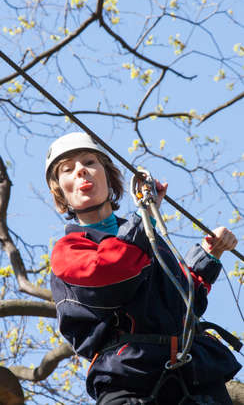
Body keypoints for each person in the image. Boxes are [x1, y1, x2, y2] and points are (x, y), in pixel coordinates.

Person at [45, 132, 241, 405]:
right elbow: (113, 273)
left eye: (89, 162)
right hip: (131, 382)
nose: (80, 171)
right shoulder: (70, 250)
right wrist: (143, 217)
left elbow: (182, 300)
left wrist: (210, 253)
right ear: (60, 191)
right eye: (67, 169)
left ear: (108, 176)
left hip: (194, 380)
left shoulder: (147, 240)